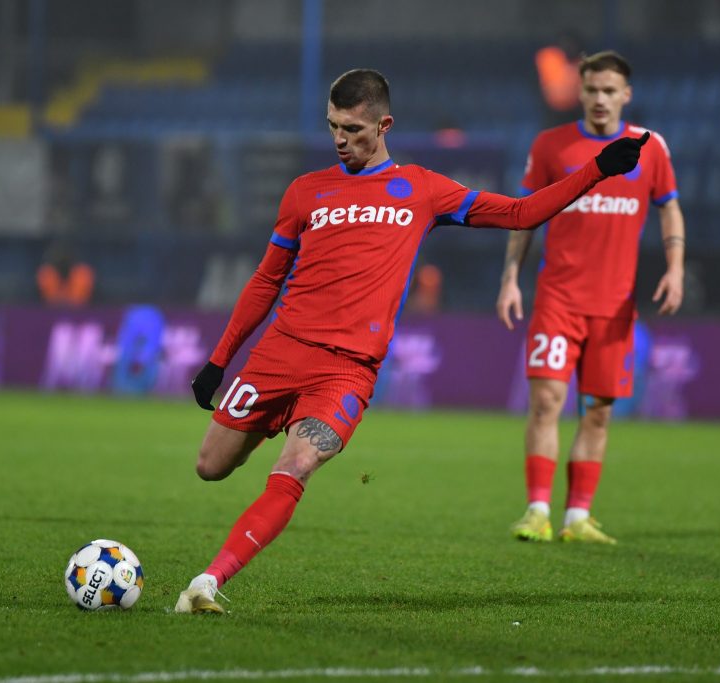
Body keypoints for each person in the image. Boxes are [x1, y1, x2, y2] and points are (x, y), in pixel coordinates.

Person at [176, 68, 648, 614]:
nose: (339, 139)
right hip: (280, 353)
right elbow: (266, 280)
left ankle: (207, 583)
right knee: (211, 465)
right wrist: (219, 361)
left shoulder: (423, 189)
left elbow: (521, 213)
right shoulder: (305, 191)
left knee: (297, 465)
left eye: (352, 129)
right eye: (332, 127)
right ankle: (271, 421)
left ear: (384, 126)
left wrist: (597, 169)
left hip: (346, 371)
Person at [496, 51, 685, 545]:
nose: (600, 98)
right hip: (557, 299)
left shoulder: (649, 148)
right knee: (546, 403)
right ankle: (537, 510)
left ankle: (578, 516)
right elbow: (524, 215)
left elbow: (669, 208)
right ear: (579, 92)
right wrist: (510, 278)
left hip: (614, 306)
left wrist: (676, 268)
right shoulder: (551, 145)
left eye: (609, 90)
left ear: (626, 94)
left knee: (598, 411)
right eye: (592, 89)